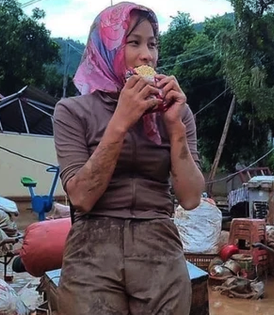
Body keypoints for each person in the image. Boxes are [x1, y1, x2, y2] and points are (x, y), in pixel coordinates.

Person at [52, 2, 205, 315]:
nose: (147, 55)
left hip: (158, 240)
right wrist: (121, 120)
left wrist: (174, 125)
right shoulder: (72, 111)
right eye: (133, 43)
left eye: (152, 44)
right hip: (92, 243)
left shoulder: (178, 112)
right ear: (106, 50)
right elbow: (80, 197)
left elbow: (190, 198)